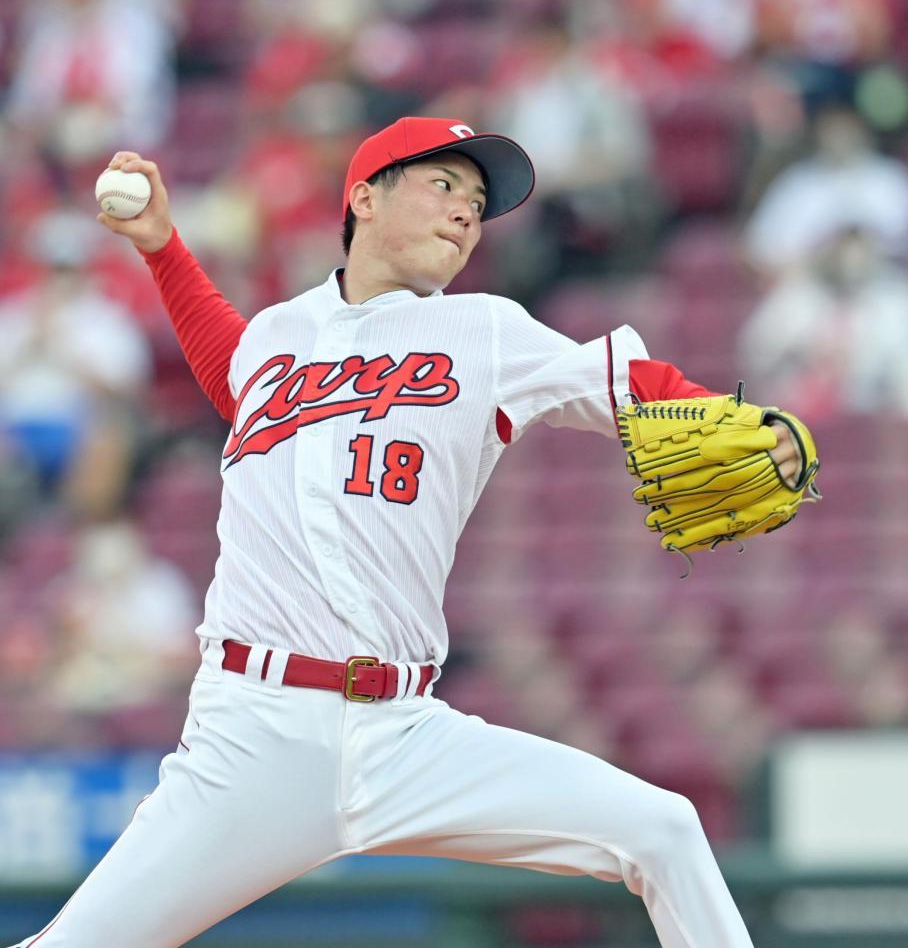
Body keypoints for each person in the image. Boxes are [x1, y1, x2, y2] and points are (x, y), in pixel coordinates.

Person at [11, 116, 803, 948]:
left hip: (408, 736)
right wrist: (164, 249)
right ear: (364, 197)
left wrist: (746, 424)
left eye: (478, 204)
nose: (466, 212)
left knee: (664, 830)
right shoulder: (277, 335)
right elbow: (233, 369)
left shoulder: (485, 331)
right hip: (254, 737)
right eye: (444, 185)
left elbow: (630, 381)